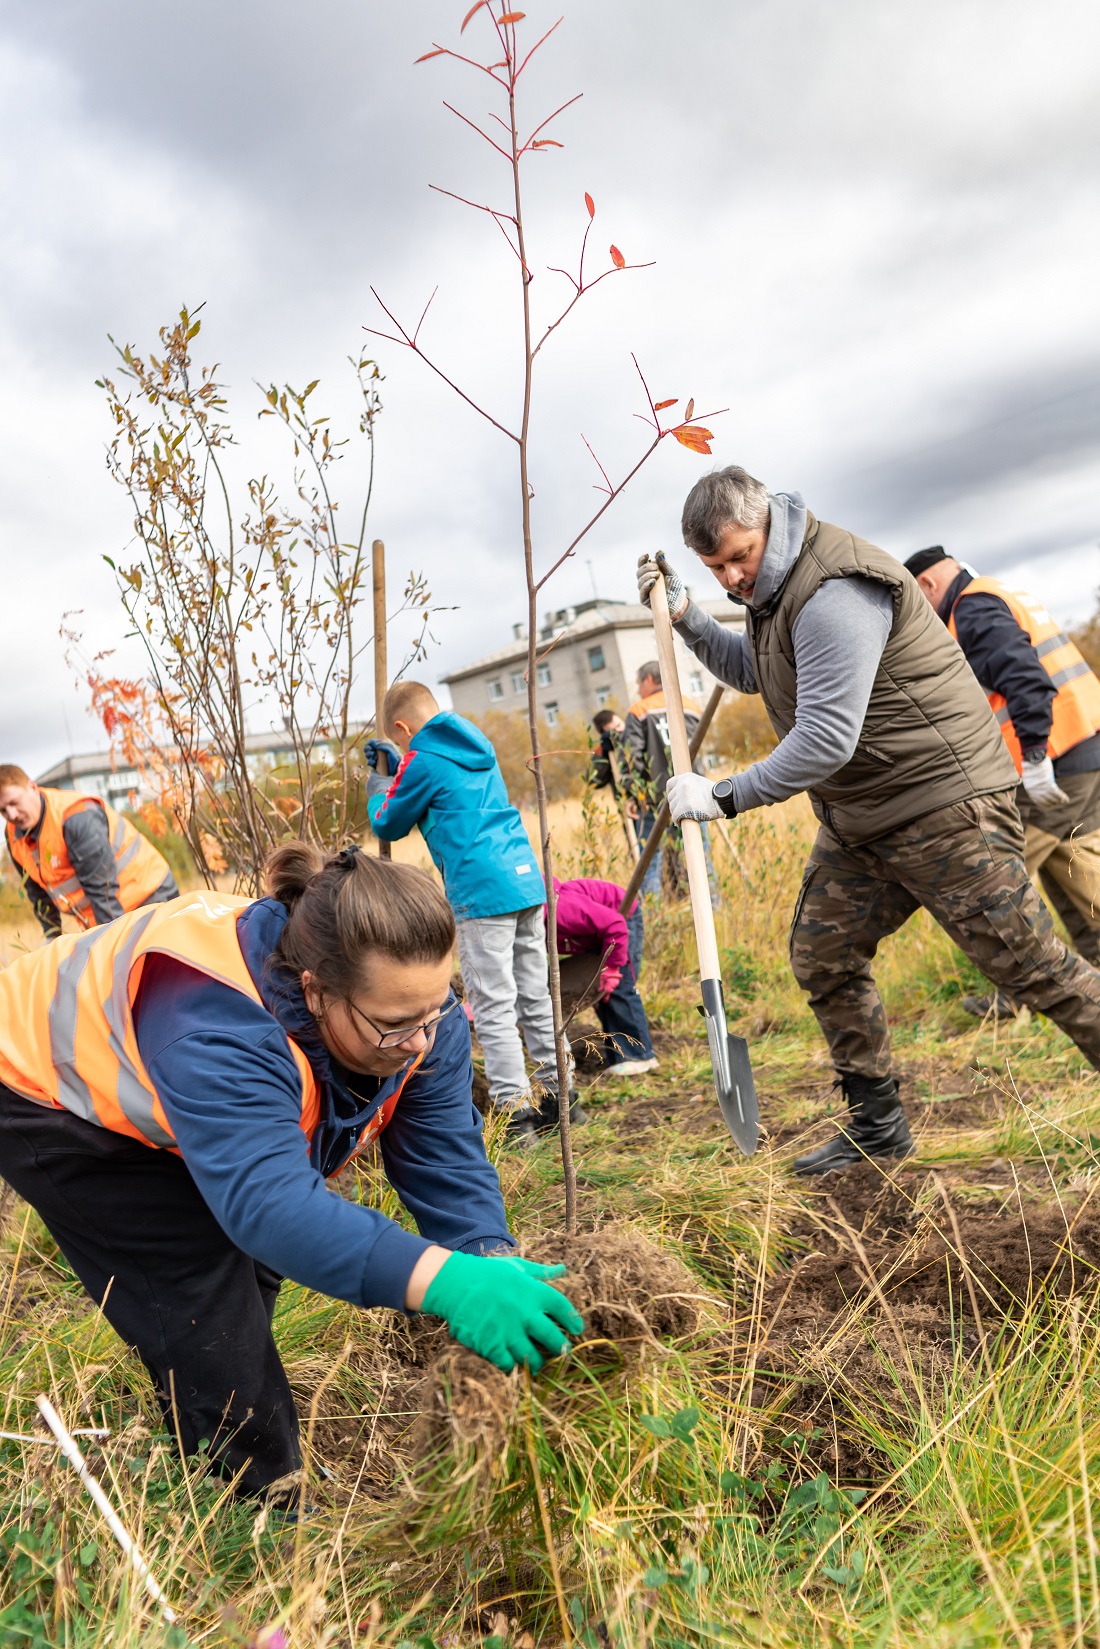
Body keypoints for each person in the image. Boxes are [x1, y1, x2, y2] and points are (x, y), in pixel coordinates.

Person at [0, 845, 583, 1506]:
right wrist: (443, 1282)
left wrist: (489, 1261)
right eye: (395, 1027)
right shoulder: (216, 1027)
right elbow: (271, 1207)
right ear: (315, 990)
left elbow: (443, 1155)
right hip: (48, 1090)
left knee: (253, 1271)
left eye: (435, 1012)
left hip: (180, 1080)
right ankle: (253, 1502)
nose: (422, 1041)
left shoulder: (414, 1008)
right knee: (196, 1285)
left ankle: (222, 1408)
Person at [638, 465, 1100, 1175]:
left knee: (1038, 971)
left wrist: (724, 795)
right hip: (866, 817)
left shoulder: (833, 590)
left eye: (738, 556)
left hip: (944, 807)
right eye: (714, 566)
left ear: (768, 523)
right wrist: (690, 616)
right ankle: (878, 1127)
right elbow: (759, 671)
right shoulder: (773, 592)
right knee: (823, 954)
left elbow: (825, 737)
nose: (731, 576)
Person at [365, 681, 583, 1144]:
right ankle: (562, 1096)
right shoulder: (472, 744)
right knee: (536, 993)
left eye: (402, 739)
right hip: (524, 880)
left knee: (493, 1004)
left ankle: (515, 1112)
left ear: (403, 728)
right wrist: (401, 764)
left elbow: (388, 820)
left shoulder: (422, 761)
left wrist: (381, 785)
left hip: (481, 892)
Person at [905, 547, 1100, 1008]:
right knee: (1076, 869)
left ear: (929, 585)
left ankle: (1016, 996)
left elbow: (1025, 679)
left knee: (998, 876)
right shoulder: (997, 592)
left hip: (1052, 760)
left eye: (916, 601)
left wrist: (1034, 756)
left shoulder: (972, 607)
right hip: (1084, 744)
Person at [0, 766, 177, 937]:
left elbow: (103, 892)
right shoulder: (12, 834)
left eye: (14, 803)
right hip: (105, 915)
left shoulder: (76, 818)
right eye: (3, 810)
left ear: (32, 787)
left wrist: (108, 944)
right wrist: (51, 935)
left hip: (150, 898)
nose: (12, 814)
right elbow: (35, 891)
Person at [622, 663, 714, 901]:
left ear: (649, 680)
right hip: (693, 793)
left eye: (638, 684)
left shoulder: (639, 710)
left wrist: (633, 795)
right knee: (698, 854)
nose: (638, 689)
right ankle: (709, 904)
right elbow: (700, 748)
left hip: (656, 798)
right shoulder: (690, 705)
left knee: (651, 861)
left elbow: (633, 757)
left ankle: (652, 913)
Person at [551, 875, 658, 1076]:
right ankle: (618, 1055)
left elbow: (615, 924)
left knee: (620, 986)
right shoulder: (530, 922)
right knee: (600, 992)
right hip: (594, 934)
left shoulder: (562, 909)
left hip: (621, 918)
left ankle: (640, 1056)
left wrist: (612, 969)